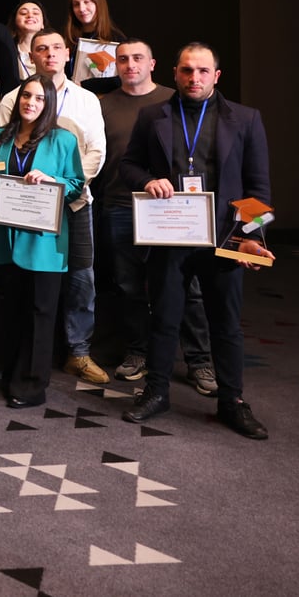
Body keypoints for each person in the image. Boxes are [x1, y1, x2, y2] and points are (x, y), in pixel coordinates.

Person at [120, 43, 273, 439]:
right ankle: (156, 393)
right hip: (169, 235)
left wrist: (249, 238)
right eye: (187, 70)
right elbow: (128, 165)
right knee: (164, 318)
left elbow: (259, 189)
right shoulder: (152, 116)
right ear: (174, 73)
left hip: (224, 240)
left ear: (216, 76)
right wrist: (146, 181)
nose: (194, 78)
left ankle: (232, 402)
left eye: (203, 71)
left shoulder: (246, 119)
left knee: (226, 325)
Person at [98, 39, 214, 387]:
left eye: (138, 58)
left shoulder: (172, 100)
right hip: (120, 204)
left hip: (171, 208)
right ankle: (138, 352)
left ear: (153, 64)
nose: (130, 64)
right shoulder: (102, 104)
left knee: (188, 287)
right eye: (122, 59)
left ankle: (199, 360)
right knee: (129, 286)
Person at [0, 29, 109, 385]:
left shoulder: (86, 99)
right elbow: (1, 153)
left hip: (74, 203)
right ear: (31, 56)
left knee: (80, 280)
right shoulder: (12, 99)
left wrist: (59, 188)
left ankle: (77, 352)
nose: (49, 54)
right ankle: (23, 364)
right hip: (20, 212)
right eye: (41, 48)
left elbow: (96, 151)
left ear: (67, 53)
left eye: (56, 47)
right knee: (25, 292)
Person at [0, 75, 86, 408]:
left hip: (44, 241)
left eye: (39, 98)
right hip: (6, 237)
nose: (30, 103)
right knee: (13, 310)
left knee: (40, 312)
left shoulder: (63, 140)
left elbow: (76, 185)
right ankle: (12, 375)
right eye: (26, 96)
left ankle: (32, 385)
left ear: (48, 104)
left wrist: (51, 179)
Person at [64, 0, 125, 93]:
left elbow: (122, 78)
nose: (81, 8)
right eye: (76, 4)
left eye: (87, 2)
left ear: (98, 3)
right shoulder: (70, 40)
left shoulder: (116, 39)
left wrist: (84, 85)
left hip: (105, 100)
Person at [8, 0, 47, 80]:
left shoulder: (52, 50)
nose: (30, 16)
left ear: (43, 24)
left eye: (35, 13)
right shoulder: (6, 50)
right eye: (23, 13)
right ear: (15, 21)